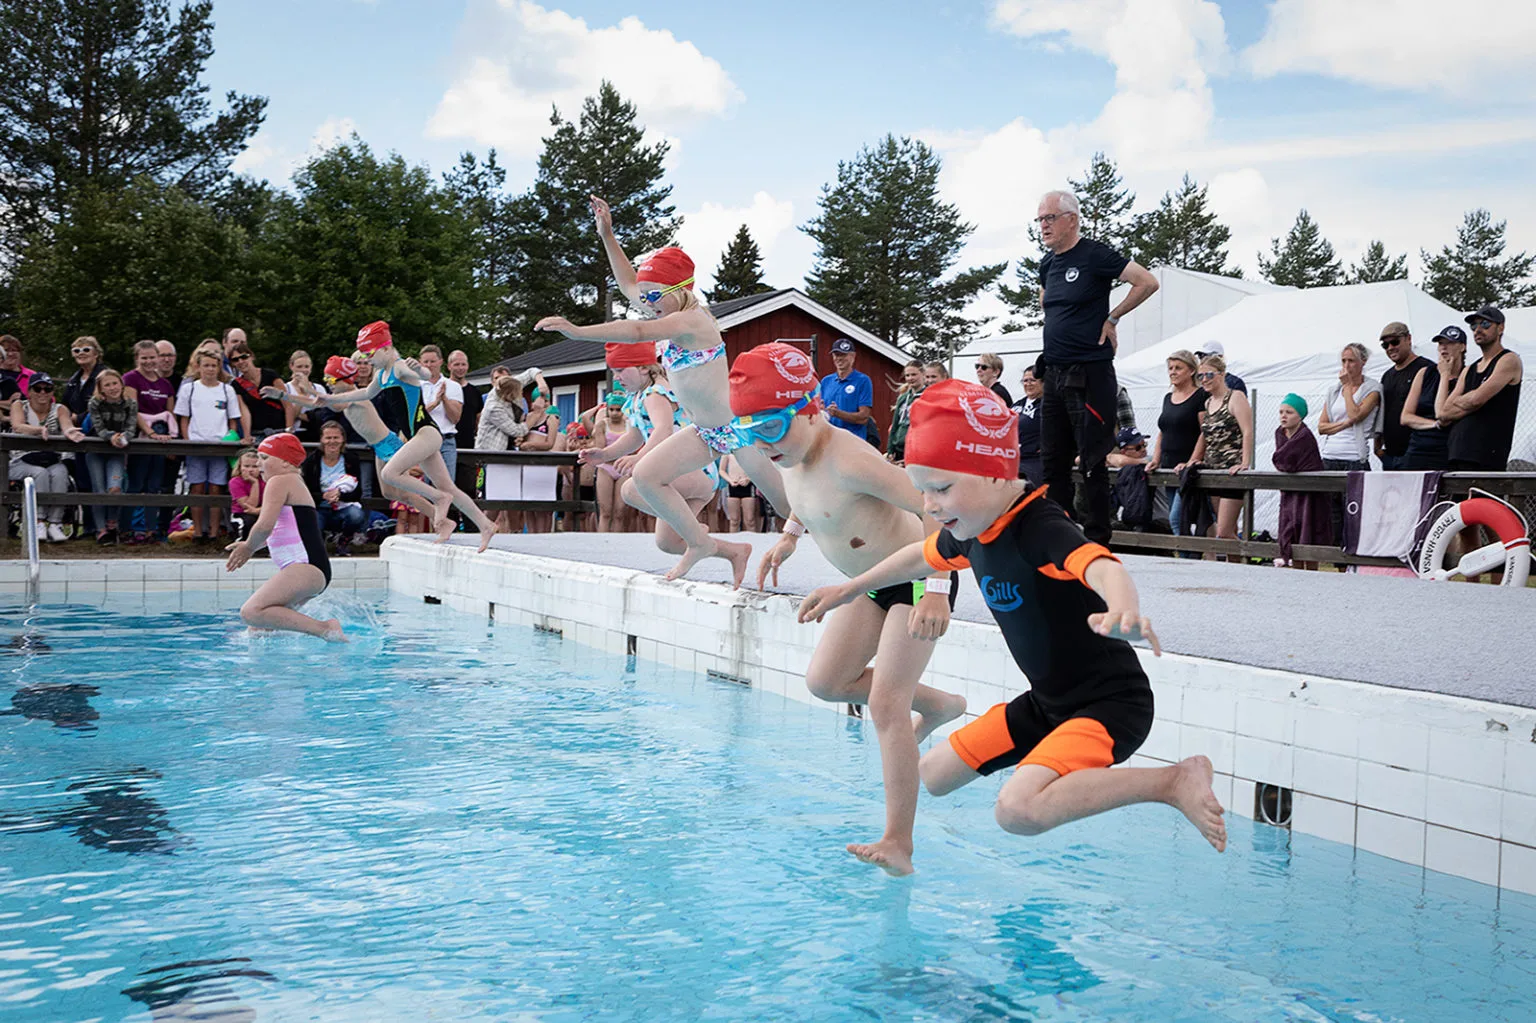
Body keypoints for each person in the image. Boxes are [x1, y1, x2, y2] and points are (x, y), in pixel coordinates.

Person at [797, 379, 1226, 854]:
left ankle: (1173, 780)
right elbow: (918, 556)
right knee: (932, 775)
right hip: (1045, 705)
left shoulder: (1038, 527)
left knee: (1018, 811)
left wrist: (1123, 608)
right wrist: (848, 589)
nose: (930, 505)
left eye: (941, 488)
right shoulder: (973, 529)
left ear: (996, 474)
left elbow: (1102, 566)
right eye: (922, 491)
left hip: (1108, 707)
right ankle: (913, 835)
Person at [740, 344, 966, 876]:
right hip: (870, 584)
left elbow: (936, 508)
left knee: (887, 706)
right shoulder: (791, 452)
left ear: (809, 408)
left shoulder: (851, 458)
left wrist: (937, 586)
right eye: (750, 433)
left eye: (770, 428)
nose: (763, 444)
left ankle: (898, 842)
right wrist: (790, 535)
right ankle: (941, 705)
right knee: (826, 682)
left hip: (918, 580)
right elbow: (807, 494)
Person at [534, 196, 787, 584]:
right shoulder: (665, 308)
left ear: (681, 289)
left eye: (654, 296)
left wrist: (579, 331)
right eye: (646, 297)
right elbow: (628, 283)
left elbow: (637, 330)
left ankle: (859, 542)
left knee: (789, 506)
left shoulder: (692, 321)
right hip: (704, 432)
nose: (647, 303)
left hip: (737, 430)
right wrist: (607, 235)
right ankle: (703, 545)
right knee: (645, 478)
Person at [1035, 189, 1159, 545]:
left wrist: (1113, 317)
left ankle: (1098, 543)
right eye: (1040, 219)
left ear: (1071, 219)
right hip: (1054, 373)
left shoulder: (1094, 254)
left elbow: (1147, 281)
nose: (1043, 226)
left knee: (1092, 461)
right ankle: (1056, 539)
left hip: (1090, 372)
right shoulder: (1047, 264)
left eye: (1050, 218)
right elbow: (1046, 302)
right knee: (1053, 462)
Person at [310, 323, 501, 551]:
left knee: (390, 473)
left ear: (385, 348)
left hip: (426, 432)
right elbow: (365, 393)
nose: (368, 361)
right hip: (418, 435)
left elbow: (424, 375)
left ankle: (439, 499)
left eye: (370, 354)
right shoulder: (382, 374)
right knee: (448, 486)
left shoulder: (400, 367)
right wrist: (328, 399)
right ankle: (486, 525)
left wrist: (420, 370)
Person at [580, 344, 718, 554]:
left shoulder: (655, 393)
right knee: (669, 543)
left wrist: (640, 458)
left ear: (643, 368)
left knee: (632, 488)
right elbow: (635, 436)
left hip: (694, 471)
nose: (616, 377)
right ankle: (731, 551)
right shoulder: (638, 395)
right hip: (675, 475)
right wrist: (605, 454)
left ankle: (690, 527)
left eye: (620, 370)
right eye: (614, 372)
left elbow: (663, 429)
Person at [224, 433, 343, 643]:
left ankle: (325, 629)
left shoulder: (280, 480)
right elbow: (284, 531)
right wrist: (251, 545)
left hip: (306, 567)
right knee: (259, 628)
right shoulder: (293, 482)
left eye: (265, 458)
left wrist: (249, 547)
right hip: (313, 568)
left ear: (286, 463)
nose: (259, 463)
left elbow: (264, 525)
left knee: (251, 612)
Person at [1178, 354, 1253, 553]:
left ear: (1222, 374)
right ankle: (1234, 565)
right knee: (1226, 529)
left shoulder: (1236, 397)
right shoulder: (1208, 403)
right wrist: (1193, 460)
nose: (1204, 379)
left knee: (1224, 532)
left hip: (1231, 471)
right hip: (1213, 471)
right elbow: (1205, 435)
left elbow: (1247, 431)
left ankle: (1248, 558)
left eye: (1209, 375)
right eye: (1200, 376)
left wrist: (1245, 462)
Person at [1439, 305, 1524, 471]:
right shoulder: (1469, 369)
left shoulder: (1508, 360)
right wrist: (1470, 401)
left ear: (1500, 328)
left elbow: (1477, 400)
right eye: (1474, 325)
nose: (1478, 329)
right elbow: (1443, 412)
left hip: (1487, 456)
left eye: (1485, 324)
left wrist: (1462, 401)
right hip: (1457, 452)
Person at [174, 349, 243, 541]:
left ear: (219, 367)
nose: (210, 369)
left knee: (216, 488)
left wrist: (229, 440)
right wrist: (188, 442)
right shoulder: (190, 389)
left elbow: (232, 420)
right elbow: (184, 418)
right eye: (206, 365)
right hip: (196, 445)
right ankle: (198, 531)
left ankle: (213, 532)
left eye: (214, 365)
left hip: (219, 447)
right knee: (196, 488)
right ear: (198, 367)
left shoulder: (227, 390)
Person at [8, 375, 86, 542]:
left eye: (47, 389)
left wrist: (69, 431)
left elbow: (66, 424)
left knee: (60, 473)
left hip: (50, 459)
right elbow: (18, 425)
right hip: (21, 460)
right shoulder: (19, 405)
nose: (42, 392)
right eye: (38, 389)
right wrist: (39, 430)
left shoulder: (59, 408)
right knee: (40, 474)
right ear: (29, 391)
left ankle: (55, 522)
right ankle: (38, 520)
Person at [1318, 342, 1382, 544]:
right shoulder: (1333, 391)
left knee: (1354, 514)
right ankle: (1335, 557)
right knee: (1331, 515)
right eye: (1344, 361)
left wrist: (1347, 388)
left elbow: (1355, 415)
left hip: (1354, 457)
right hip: (1329, 456)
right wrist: (1343, 424)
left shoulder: (1372, 389)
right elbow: (1321, 427)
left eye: (1351, 361)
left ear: (1363, 362)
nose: (1346, 366)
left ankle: (1353, 556)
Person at [122, 340, 178, 544]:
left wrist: (172, 440)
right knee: (136, 484)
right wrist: (149, 432)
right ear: (137, 358)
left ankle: (150, 530)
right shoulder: (130, 378)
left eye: (152, 357)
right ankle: (127, 529)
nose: (149, 362)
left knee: (155, 485)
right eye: (144, 358)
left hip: (161, 438)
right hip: (140, 436)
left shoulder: (165, 384)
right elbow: (132, 409)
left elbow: (170, 413)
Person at [1148, 350, 1202, 547]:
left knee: (1178, 519)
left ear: (1191, 371)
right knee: (1177, 519)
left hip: (1189, 469)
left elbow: (1205, 432)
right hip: (1168, 466)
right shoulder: (1167, 398)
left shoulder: (1200, 396)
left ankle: (1189, 557)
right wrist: (1155, 459)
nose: (1173, 372)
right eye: (1170, 368)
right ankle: (1190, 555)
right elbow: (1163, 431)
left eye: (1178, 368)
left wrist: (1192, 461)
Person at [1272, 394, 1331, 570]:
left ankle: (1312, 572)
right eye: (1281, 412)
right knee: (1291, 529)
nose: (1284, 416)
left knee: (1308, 528)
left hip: (1309, 492)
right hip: (1289, 490)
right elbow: (1283, 462)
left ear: (1300, 416)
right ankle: (1295, 571)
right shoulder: (1280, 433)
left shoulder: (1304, 436)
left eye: (1289, 412)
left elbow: (1283, 459)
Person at [85, 368, 136, 544]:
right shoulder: (94, 403)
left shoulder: (130, 403)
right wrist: (110, 436)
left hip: (118, 450)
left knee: (115, 487)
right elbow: (98, 427)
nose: (112, 388)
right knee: (99, 490)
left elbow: (131, 427)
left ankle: (112, 523)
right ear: (101, 389)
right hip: (96, 449)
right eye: (107, 385)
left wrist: (123, 438)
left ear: (121, 384)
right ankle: (101, 530)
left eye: (115, 383)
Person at [1400, 326, 1459, 471]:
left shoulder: (1466, 376)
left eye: (1450, 343)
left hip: (1446, 448)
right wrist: (1434, 424)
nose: (1444, 347)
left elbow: (1442, 413)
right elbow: (1406, 417)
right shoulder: (1425, 373)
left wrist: (1444, 375)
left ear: (1462, 347)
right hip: (1418, 447)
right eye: (1440, 343)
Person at [1376, 322, 1433, 470]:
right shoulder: (1387, 376)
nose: (1390, 348)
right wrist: (1378, 443)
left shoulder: (1427, 369)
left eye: (1395, 342)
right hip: (1390, 454)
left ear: (1409, 339)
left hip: (1418, 453)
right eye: (1385, 345)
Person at [302, 420, 365, 555]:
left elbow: (358, 492)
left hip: (343, 506)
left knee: (356, 515)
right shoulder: (312, 461)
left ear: (343, 439)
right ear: (321, 440)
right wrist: (323, 496)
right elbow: (305, 491)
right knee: (313, 520)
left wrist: (339, 495)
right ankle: (320, 542)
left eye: (336, 437)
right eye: (328, 438)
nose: (332, 441)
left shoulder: (351, 459)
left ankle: (343, 541)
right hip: (319, 507)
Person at [61, 336, 107, 498]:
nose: (81, 353)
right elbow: (64, 404)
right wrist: (66, 419)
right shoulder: (74, 379)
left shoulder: (104, 375)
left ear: (96, 353)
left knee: (99, 483)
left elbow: (103, 403)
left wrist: (77, 418)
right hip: (76, 435)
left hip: (98, 434)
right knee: (82, 481)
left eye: (86, 349)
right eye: (76, 350)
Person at [418, 345, 463, 480]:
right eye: (426, 362)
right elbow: (414, 415)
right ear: (420, 363)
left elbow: (455, 418)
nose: (429, 365)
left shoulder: (453, 386)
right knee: (424, 485)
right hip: (423, 440)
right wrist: (434, 404)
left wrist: (444, 399)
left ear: (440, 362)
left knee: (447, 484)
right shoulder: (415, 386)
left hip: (446, 441)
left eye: (432, 361)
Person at [819, 338, 875, 441]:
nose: (839, 358)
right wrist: (820, 410)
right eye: (836, 355)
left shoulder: (863, 381)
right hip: (829, 441)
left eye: (843, 355)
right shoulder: (826, 381)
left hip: (853, 441)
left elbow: (863, 417)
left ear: (853, 356)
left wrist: (838, 413)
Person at [228, 343, 286, 438]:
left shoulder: (270, 375)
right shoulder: (236, 384)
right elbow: (244, 411)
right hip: (257, 433)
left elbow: (287, 403)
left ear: (252, 356)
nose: (240, 361)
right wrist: (247, 436)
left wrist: (289, 430)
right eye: (235, 360)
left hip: (279, 431)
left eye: (244, 357)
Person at [448, 349, 484, 502]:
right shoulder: (443, 388)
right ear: (449, 366)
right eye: (456, 364)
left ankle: (468, 519)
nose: (460, 368)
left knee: (468, 490)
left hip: (468, 447)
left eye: (463, 364)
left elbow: (479, 420)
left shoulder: (474, 392)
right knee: (446, 489)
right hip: (446, 445)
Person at [284, 350, 330, 442]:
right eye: (299, 367)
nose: (303, 370)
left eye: (306, 366)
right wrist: (302, 395)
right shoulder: (285, 388)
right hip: (294, 434)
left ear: (311, 367)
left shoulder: (318, 388)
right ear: (291, 366)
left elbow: (324, 415)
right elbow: (288, 417)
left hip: (316, 434)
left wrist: (301, 415)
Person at [1010, 363, 1044, 486]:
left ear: (1043, 382)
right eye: (1025, 380)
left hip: (1033, 460)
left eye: (1032, 380)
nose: (1028, 384)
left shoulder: (1047, 405)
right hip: (1012, 459)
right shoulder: (1017, 405)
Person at [886, 360, 924, 465]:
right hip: (898, 447)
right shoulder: (903, 398)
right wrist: (890, 449)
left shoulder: (927, 396)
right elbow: (895, 424)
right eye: (907, 375)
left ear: (923, 374)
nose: (910, 378)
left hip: (915, 448)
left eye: (914, 374)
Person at [719, 452, 760, 532]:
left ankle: (752, 538)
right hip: (733, 485)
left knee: (750, 520)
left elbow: (757, 469)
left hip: (748, 486)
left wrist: (748, 479)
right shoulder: (728, 451)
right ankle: (733, 538)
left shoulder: (750, 450)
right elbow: (721, 470)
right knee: (734, 520)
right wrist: (730, 480)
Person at [229, 449, 263, 540]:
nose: (250, 470)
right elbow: (249, 506)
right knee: (248, 522)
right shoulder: (235, 482)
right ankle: (241, 543)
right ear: (240, 467)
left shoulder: (266, 480)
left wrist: (258, 511)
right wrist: (254, 483)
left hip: (262, 510)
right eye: (246, 466)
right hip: (241, 513)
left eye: (255, 466)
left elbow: (273, 504)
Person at [0, 335, 38, 400]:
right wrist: (8, 403)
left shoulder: (32, 375)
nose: (10, 354)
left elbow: (47, 399)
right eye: (6, 350)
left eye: (14, 350)